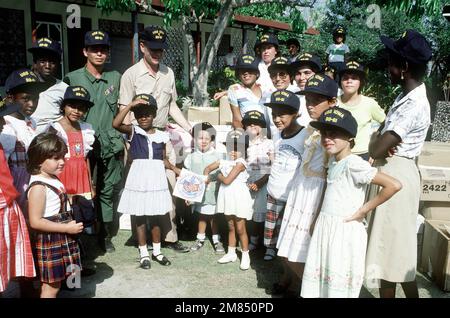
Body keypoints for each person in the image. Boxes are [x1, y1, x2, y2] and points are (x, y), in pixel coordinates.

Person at [301, 108, 401, 298]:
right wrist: (316, 220)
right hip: (327, 227)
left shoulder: (354, 164)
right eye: (324, 134)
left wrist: (363, 210)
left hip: (344, 231)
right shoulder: (332, 161)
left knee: (338, 284)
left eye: (334, 134)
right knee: (322, 282)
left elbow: (393, 185)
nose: (327, 139)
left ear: (350, 139)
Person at [365, 30, 432, 298]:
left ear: (404, 67)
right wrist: (379, 136)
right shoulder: (404, 96)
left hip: (397, 173)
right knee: (397, 251)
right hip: (395, 170)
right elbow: (381, 138)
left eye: (391, 62)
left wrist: (376, 138)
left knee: (389, 254)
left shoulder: (413, 104)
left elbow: (377, 147)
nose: (387, 68)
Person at [119, 25, 191, 253]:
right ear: (142, 47)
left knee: (167, 184)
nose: (157, 53)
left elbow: (172, 105)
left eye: (161, 49)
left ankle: (169, 238)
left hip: (162, 135)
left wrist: (189, 128)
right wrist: (133, 139)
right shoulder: (131, 74)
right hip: (137, 136)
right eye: (153, 49)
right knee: (138, 188)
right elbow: (124, 108)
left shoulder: (168, 73)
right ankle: (140, 239)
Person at [273, 75, 334, 298]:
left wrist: (319, 211)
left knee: (300, 249)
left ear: (332, 102)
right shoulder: (311, 128)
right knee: (287, 247)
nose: (310, 105)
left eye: (317, 100)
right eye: (308, 99)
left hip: (314, 193)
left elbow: (330, 174)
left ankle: (313, 291)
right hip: (299, 189)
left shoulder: (332, 131)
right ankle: (293, 283)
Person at [63, 30, 124, 253]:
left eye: (104, 49)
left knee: (108, 190)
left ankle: (104, 235)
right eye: (94, 49)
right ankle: (83, 235)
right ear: (85, 51)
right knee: (83, 191)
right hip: (82, 146)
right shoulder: (72, 78)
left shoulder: (116, 77)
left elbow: (122, 109)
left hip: (110, 143)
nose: (99, 53)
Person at [113, 94, 180, 269]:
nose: (143, 117)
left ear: (154, 115)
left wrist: (175, 169)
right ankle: (144, 254)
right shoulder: (134, 131)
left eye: (147, 114)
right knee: (140, 216)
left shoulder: (163, 135)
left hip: (156, 178)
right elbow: (116, 124)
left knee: (157, 215)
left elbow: (163, 159)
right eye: (139, 114)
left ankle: (157, 251)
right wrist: (130, 105)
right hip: (138, 177)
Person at [27, 133, 83, 298]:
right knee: (51, 286)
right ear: (38, 159)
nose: (62, 162)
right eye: (55, 158)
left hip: (63, 236)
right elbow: (35, 221)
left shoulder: (51, 178)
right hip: (52, 239)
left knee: (68, 278)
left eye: (63, 157)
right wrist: (66, 227)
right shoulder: (38, 186)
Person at [262, 90, 304, 263]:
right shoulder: (278, 135)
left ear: (295, 114)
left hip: (292, 193)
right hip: (274, 189)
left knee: (287, 229)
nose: (277, 119)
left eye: (282, 115)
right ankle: (270, 248)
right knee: (271, 225)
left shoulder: (305, 135)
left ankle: (283, 252)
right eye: (274, 114)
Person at [45, 86, 96, 226]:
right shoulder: (55, 128)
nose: (76, 111)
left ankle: (80, 244)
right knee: (64, 211)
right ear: (63, 106)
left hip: (81, 176)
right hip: (62, 174)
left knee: (82, 212)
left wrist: (91, 183)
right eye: (72, 106)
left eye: (81, 108)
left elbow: (85, 158)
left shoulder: (86, 128)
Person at [0, 99, 36, 294]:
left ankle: (26, 285)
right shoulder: (5, 141)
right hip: (5, 202)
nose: (3, 125)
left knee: (16, 247)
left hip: (9, 200)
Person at [204, 129, 253, 270]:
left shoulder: (241, 163)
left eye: (237, 148)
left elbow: (226, 181)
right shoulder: (223, 160)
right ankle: (231, 253)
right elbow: (207, 168)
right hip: (226, 196)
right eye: (231, 147)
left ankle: (245, 255)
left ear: (244, 149)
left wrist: (217, 175)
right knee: (230, 226)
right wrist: (206, 178)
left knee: (240, 228)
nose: (233, 151)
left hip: (239, 196)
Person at [4, 69, 46, 209]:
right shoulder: (6, 126)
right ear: (10, 98)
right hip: (14, 185)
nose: (31, 104)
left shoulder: (31, 122)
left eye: (35, 99)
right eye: (26, 99)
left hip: (30, 181)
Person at [184, 122, 224, 253]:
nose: (204, 141)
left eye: (207, 138)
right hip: (198, 193)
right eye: (200, 138)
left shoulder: (218, 156)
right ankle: (200, 238)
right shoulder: (190, 157)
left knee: (213, 217)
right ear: (194, 139)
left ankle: (216, 240)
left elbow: (221, 173)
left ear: (212, 140)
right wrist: (187, 195)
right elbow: (188, 176)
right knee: (202, 216)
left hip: (213, 192)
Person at [338, 61, 386, 160]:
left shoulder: (369, 103)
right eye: (345, 78)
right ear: (340, 81)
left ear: (361, 82)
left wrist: (375, 148)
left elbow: (386, 122)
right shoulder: (334, 103)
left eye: (354, 78)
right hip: (338, 154)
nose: (349, 81)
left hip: (362, 155)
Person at [242, 111, 273, 251]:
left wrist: (261, 182)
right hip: (247, 181)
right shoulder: (243, 144)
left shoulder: (270, 144)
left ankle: (264, 243)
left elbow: (274, 166)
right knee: (249, 213)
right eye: (249, 123)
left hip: (264, 181)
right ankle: (250, 239)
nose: (253, 125)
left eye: (257, 123)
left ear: (263, 126)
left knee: (261, 213)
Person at [28, 37, 69, 133]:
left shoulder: (64, 88)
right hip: (26, 140)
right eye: (42, 61)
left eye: (52, 62)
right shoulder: (24, 86)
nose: (47, 66)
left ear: (58, 64)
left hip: (54, 141)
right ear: (35, 63)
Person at [227, 55, 266, 129]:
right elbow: (237, 120)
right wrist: (244, 138)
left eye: (250, 70)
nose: (246, 73)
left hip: (266, 132)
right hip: (246, 132)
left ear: (257, 73)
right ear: (238, 73)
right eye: (242, 70)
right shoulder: (234, 90)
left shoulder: (265, 89)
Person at [291, 53, 322, 128]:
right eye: (298, 73)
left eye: (307, 73)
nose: (302, 78)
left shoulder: (327, 98)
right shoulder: (291, 97)